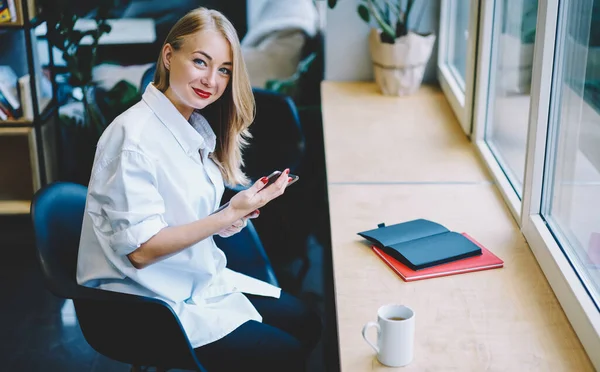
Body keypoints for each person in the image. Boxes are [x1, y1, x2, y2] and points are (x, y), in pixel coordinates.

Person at [76, 7, 321, 372]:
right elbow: (142, 253)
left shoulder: (193, 127)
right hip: (145, 303)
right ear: (169, 55)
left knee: (305, 322)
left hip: (188, 281)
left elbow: (179, 214)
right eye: (201, 62)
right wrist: (228, 213)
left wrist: (230, 217)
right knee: (284, 354)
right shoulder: (133, 139)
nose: (212, 80)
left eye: (224, 69)